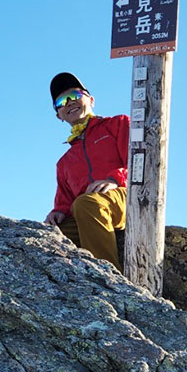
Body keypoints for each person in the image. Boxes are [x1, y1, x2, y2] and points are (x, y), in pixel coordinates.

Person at [44, 72, 128, 270]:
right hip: (88, 210)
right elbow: (64, 202)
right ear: (59, 115)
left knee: (86, 203)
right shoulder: (64, 163)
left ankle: (111, 283)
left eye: (75, 95)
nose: (70, 102)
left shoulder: (117, 124)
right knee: (49, 235)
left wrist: (115, 179)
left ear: (91, 100)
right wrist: (57, 213)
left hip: (127, 197)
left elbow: (139, 163)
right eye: (62, 102)